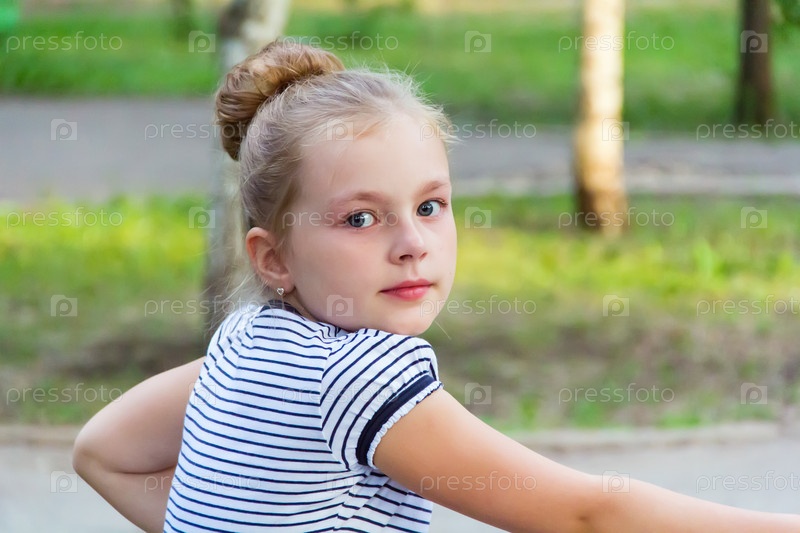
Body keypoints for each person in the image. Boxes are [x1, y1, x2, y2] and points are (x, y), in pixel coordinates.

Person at [73, 40, 800, 533]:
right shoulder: (356, 372)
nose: (412, 243)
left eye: (429, 206)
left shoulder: (248, 340)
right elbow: (586, 516)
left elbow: (103, 450)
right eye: (361, 218)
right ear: (274, 259)